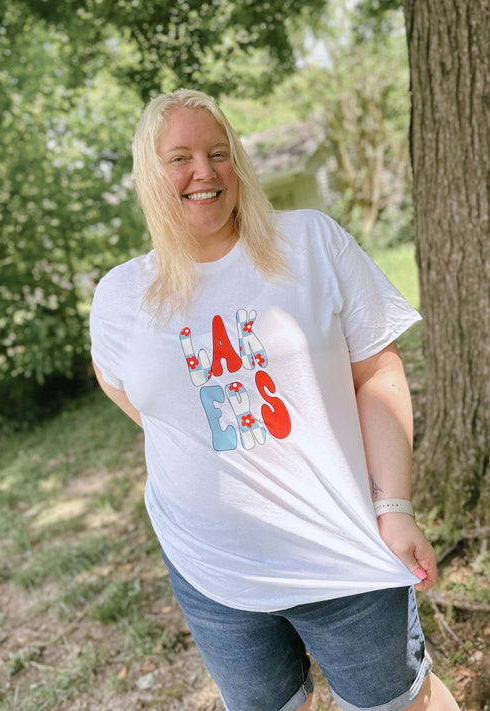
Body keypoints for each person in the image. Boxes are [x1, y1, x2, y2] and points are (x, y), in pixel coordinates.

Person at [90, 89, 460, 711]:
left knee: (404, 704)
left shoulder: (309, 243)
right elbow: (123, 388)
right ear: (149, 177)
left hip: (340, 550)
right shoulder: (121, 294)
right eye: (179, 158)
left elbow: (377, 371)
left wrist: (394, 506)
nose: (203, 171)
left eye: (218, 152)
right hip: (213, 576)